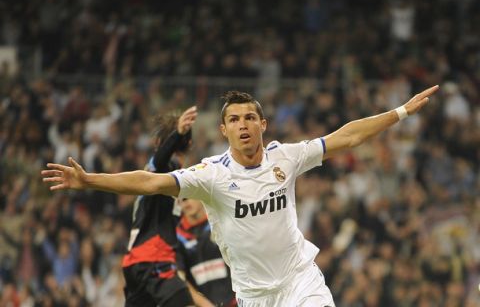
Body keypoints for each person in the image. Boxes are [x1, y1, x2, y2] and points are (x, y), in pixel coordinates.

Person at [42, 85, 439, 306]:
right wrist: (89, 180)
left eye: (250, 117)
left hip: (300, 281)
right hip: (252, 297)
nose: (243, 124)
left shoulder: (287, 157)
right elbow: (149, 182)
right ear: (224, 130)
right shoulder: (211, 176)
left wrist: (400, 112)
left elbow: (346, 137)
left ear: (263, 124)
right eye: (234, 119)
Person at [121, 106, 198, 307]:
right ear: (188, 143)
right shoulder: (165, 170)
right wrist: (178, 134)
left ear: (156, 142)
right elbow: (160, 161)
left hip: (137, 264)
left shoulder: (176, 181)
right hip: (153, 259)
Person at [176, 198, 237, 306]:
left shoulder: (220, 222)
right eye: (180, 199)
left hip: (238, 300)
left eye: (188, 195)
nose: (184, 200)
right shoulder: (177, 236)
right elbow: (180, 278)